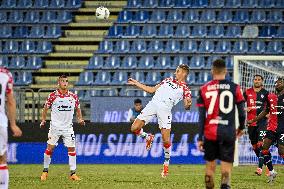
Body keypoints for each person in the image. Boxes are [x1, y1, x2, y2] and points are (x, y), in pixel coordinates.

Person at [128, 64, 192, 178]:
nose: (175, 73)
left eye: (177, 71)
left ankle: (166, 165)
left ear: (184, 73)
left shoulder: (185, 89)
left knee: (166, 140)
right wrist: (137, 83)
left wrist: (188, 105)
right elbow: (151, 90)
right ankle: (147, 137)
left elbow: (187, 105)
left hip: (165, 110)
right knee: (134, 128)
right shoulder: (167, 80)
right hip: (153, 104)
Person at [197, 59, 246, 189]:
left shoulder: (203, 89)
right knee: (226, 171)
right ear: (226, 71)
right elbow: (242, 113)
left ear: (212, 71)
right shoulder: (235, 88)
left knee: (209, 170)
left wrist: (200, 138)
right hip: (228, 132)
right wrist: (241, 127)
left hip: (210, 132)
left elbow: (201, 117)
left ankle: (209, 180)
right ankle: (225, 184)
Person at [40, 75, 85, 181]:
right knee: (49, 148)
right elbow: (45, 108)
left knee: (72, 149)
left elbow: (78, 108)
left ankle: (73, 174)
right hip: (55, 127)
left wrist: (80, 119)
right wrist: (43, 120)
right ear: (58, 83)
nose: (65, 83)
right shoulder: (52, 96)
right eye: (62, 81)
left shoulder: (73, 96)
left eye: (66, 81)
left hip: (68, 128)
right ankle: (45, 171)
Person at [248, 77, 284, 183]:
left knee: (281, 150)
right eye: (276, 83)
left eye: (280, 82)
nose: (277, 84)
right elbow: (265, 111)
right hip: (272, 128)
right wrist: (253, 120)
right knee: (264, 148)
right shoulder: (271, 96)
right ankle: (272, 171)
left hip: (283, 129)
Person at [243, 75, 270, 175]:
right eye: (255, 79)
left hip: (262, 122)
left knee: (261, 144)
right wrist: (245, 109)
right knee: (254, 146)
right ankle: (267, 164)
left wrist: (269, 114)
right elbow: (239, 103)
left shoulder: (266, 93)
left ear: (262, 81)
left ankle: (261, 168)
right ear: (253, 80)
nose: (257, 81)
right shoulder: (247, 92)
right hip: (251, 122)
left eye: (259, 80)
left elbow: (271, 106)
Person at [0, 67, 22, 189]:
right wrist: (13, 124)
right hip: (1, 120)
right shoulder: (5, 74)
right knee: (2, 158)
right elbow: (11, 101)